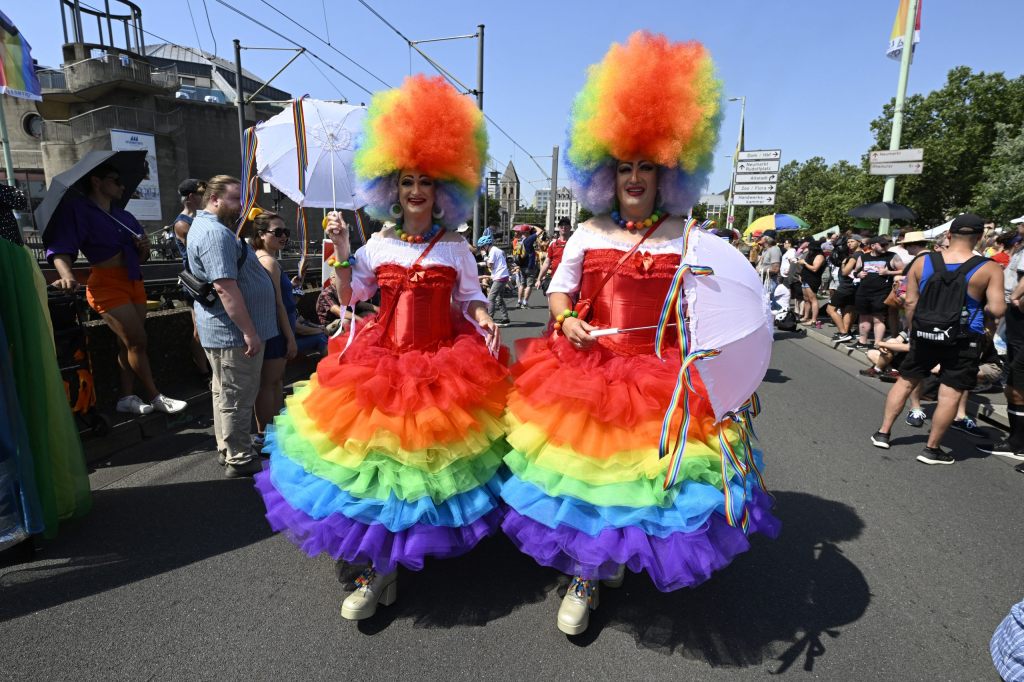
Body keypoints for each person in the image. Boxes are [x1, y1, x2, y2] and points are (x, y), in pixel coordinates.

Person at [500, 32, 779, 636]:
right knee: (590, 477)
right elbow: (558, 288)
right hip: (590, 370)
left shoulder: (691, 238)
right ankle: (584, 573)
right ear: (605, 173)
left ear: (668, 172)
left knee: (649, 481)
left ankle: (618, 560)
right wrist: (567, 318)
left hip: (665, 374)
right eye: (622, 167)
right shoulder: (587, 232)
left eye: (645, 166)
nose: (633, 177)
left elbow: (713, 304)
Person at [254, 74, 508, 621]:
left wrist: (484, 320)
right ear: (391, 187)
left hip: (445, 366)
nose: (416, 190)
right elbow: (352, 295)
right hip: (382, 365)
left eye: (427, 181)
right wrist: (342, 251)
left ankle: (398, 562)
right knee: (376, 475)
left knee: (427, 475)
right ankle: (378, 572)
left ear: (445, 190)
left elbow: (471, 299)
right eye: (407, 180)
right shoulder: (377, 243)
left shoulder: (458, 247)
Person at [45, 162, 187, 415]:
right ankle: (155, 396)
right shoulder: (80, 210)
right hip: (106, 285)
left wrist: (142, 248)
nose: (122, 186)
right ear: (97, 182)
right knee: (138, 340)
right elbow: (61, 247)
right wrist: (66, 276)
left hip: (133, 280)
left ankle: (126, 397)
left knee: (127, 343)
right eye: (115, 180)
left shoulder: (123, 215)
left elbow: (141, 257)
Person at [870, 214, 1005, 464]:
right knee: (950, 392)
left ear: (949, 235)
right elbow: (997, 309)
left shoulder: (923, 262)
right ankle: (932, 449)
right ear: (979, 237)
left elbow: (909, 301)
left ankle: (883, 432)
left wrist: (916, 328)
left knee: (906, 381)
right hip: (964, 338)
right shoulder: (989, 268)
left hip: (924, 334)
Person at [186, 175, 278, 478]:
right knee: (237, 396)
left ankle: (229, 449)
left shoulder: (209, 228)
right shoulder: (214, 234)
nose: (241, 206)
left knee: (224, 392)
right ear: (214, 199)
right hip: (232, 333)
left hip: (227, 331)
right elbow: (225, 287)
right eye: (235, 199)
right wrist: (250, 331)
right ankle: (238, 457)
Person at [250, 209, 298, 449]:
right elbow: (278, 303)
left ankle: (272, 430)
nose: (283, 236)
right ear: (261, 234)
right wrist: (290, 337)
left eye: (285, 232)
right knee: (270, 382)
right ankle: (265, 434)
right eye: (277, 232)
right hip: (277, 329)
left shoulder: (259, 258)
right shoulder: (268, 261)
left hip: (272, 326)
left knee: (275, 381)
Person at [173, 178, 210, 380]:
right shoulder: (182, 223)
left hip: (207, 280)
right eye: (201, 194)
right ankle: (203, 372)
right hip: (195, 284)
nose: (204, 197)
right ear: (190, 197)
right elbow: (200, 249)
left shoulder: (200, 218)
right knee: (199, 329)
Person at [851, 236, 902, 351]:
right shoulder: (863, 257)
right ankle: (862, 342)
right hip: (863, 292)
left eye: (886, 244)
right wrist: (858, 275)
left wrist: (888, 272)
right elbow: (855, 271)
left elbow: (904, 270)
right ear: (873, 246)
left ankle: (878, 344)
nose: (885, 247)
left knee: (878, 319)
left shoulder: (892, 256)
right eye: (882, 245)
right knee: (863, 317)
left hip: (881, 292)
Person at [826, 235, 862, 343]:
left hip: (846, 286)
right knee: (847, 310)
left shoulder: (854, 256)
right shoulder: (861, 254)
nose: (849, 244)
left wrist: (843, 264)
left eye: (852, 241)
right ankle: (846, 332)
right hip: (852, 287)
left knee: (830, 309)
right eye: (848, 242)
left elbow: (845, 272)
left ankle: (843, 333)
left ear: (859, 242)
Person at [477, 233, 511, 327]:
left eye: (482, 247)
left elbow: (489, 265)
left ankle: (489, 318)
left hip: (499, 277)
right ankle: (505, 318)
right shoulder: (498, 250)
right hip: (503, 276)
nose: (482, 250)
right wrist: (479, 264)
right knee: (499, 298)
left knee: (490, 298)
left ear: (486, 245)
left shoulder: (492, 251)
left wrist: (484, 256)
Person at [797, 239, 826, 326]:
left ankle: (813, 319)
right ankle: (806, 316)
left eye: (810, 248)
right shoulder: (810, 255)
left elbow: (814, 268)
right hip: (805, 278)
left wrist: (804, 263)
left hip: (813, 279)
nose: (809, 250)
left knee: (813, 299)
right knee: (806, 299)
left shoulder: (819, 256)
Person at [537, 216, 571, 284]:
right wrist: (539, 279)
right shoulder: (553, 244)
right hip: (555, 279)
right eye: (561, 225)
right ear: (559, 228)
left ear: (570, 227)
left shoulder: (575, 243)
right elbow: (547, 263)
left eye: (566, 225)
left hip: (570, 280)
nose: (563, 227)